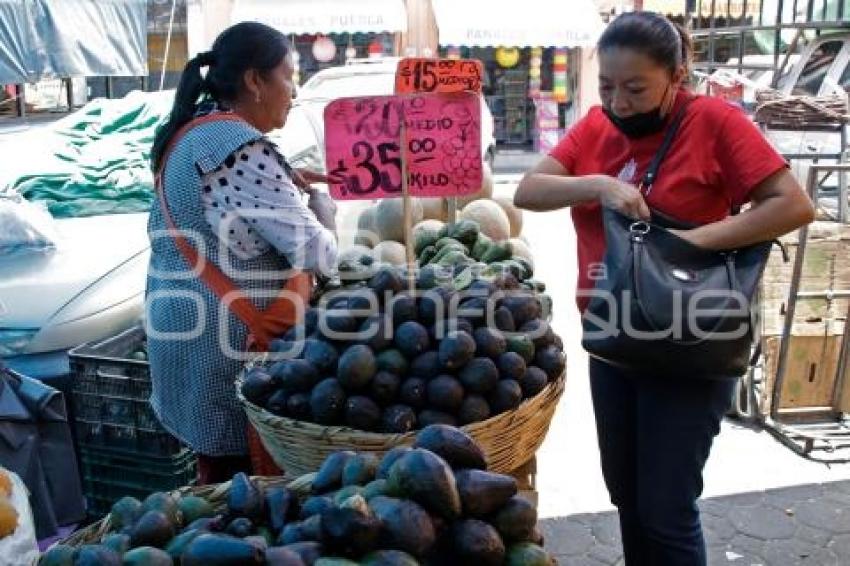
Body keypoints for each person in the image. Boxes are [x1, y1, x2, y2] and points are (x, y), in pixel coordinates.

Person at [514, 12, 814, 566]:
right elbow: (529, 191)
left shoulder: (716, 123)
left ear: (677, 76)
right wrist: (601, 184)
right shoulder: (597, 129)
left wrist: (688, 245)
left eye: (635, 88)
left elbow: (793, 204)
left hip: (691, 337)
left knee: (666, 508)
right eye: (606, 86)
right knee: (627, 497)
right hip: (613, 338)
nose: (618, 102)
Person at [145, 22, 338, 484]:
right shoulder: (239, 150)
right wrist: (324, 206)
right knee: (244, 493)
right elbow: (320, 254)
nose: (294, 91)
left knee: (217, 490)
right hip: (225, 349)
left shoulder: (193, 134)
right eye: (289, 76)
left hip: (184, 337)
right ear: (254, 81)